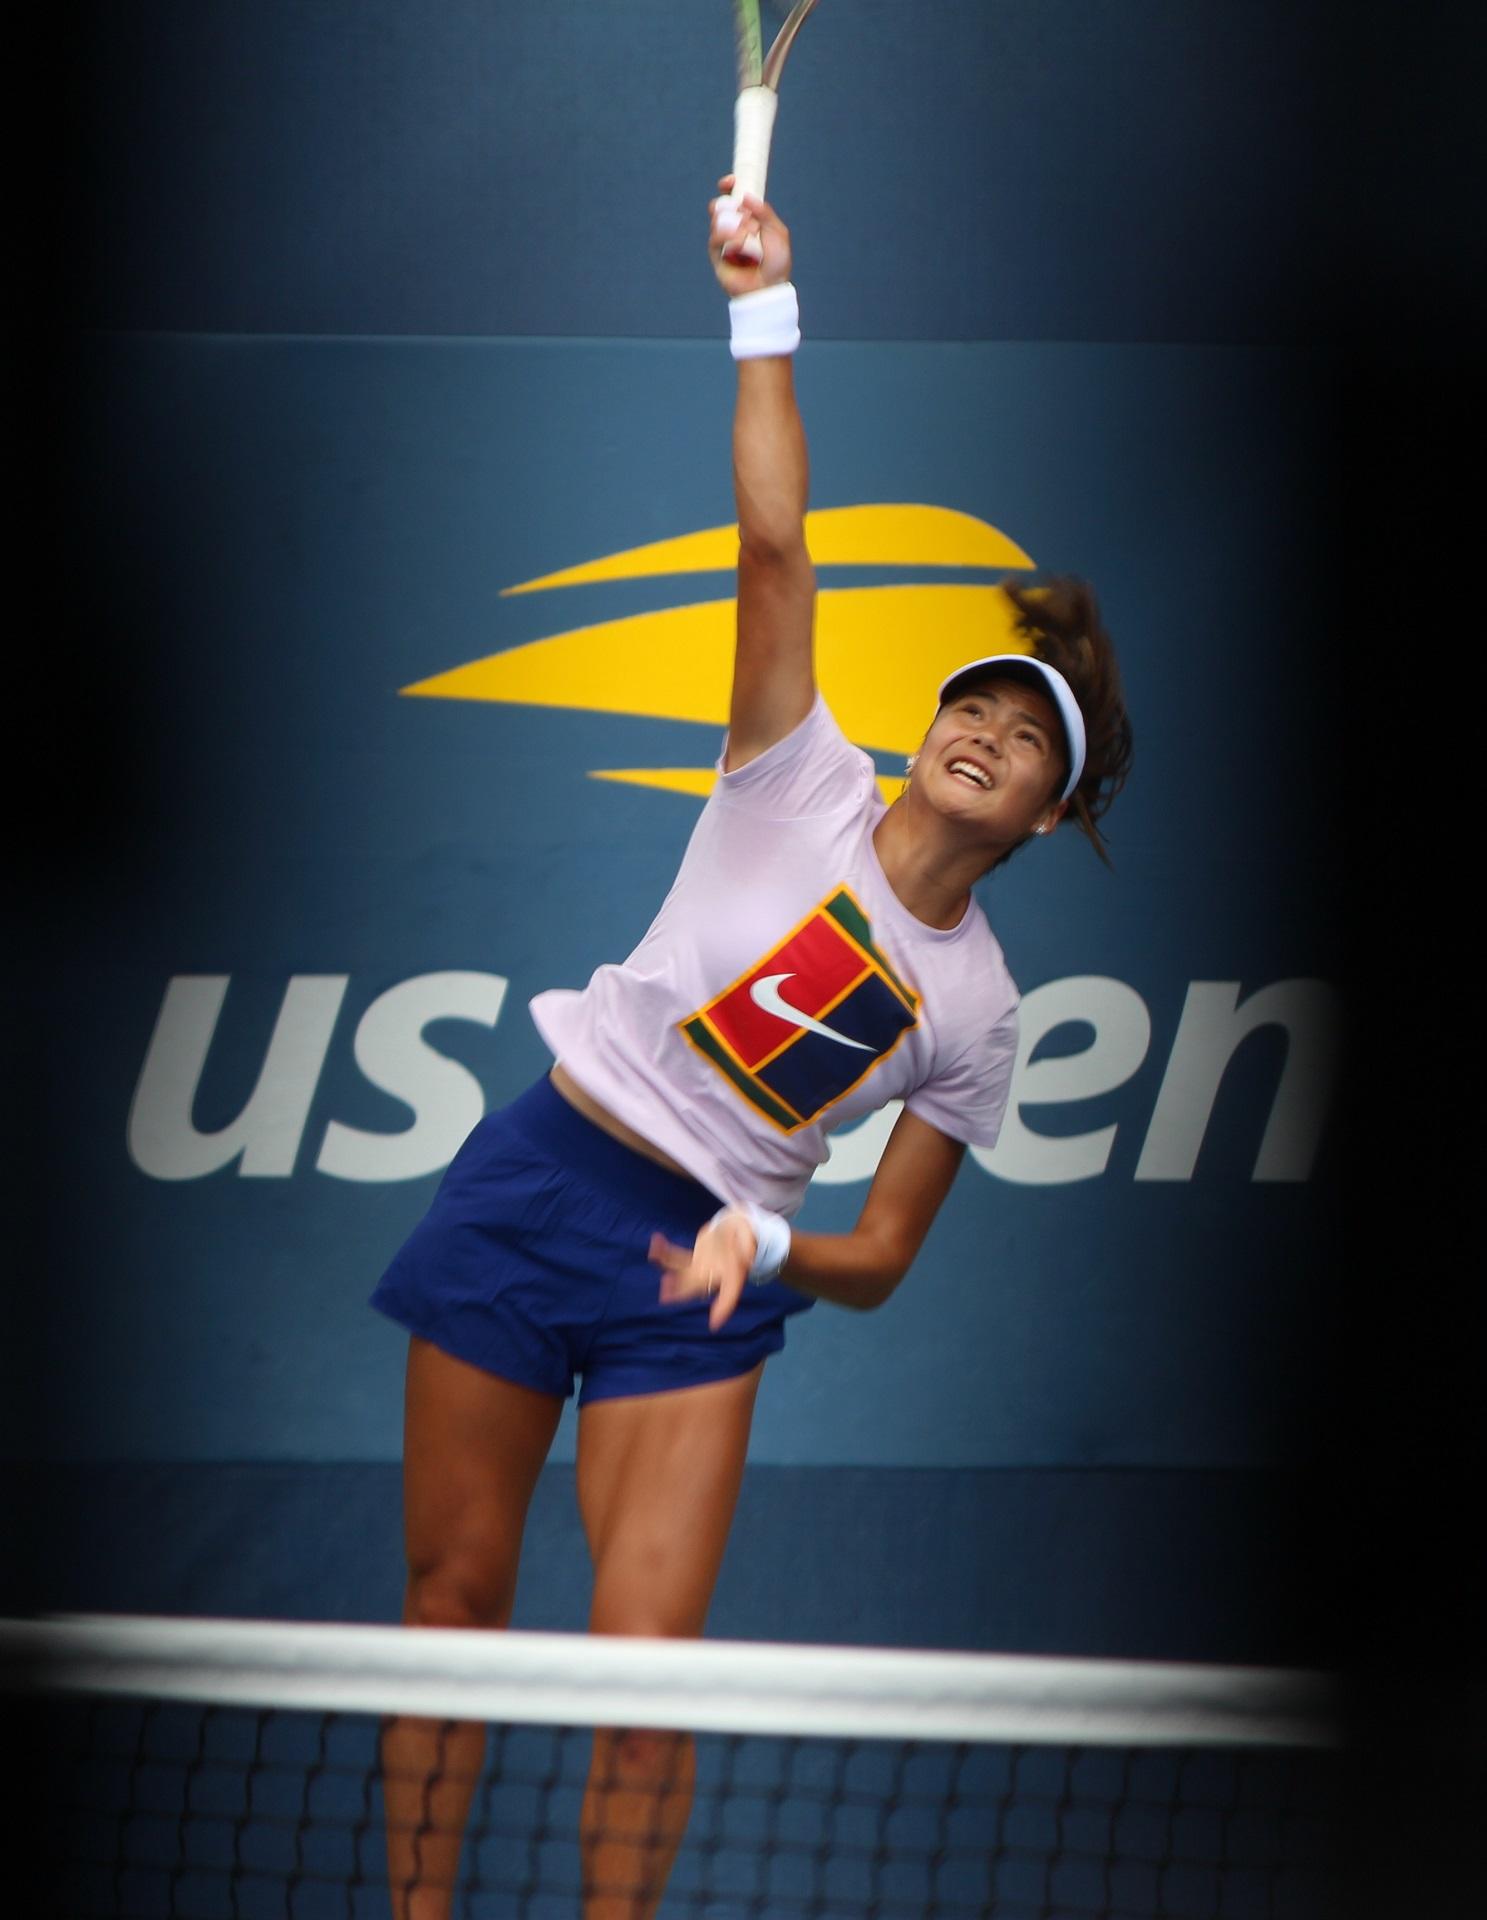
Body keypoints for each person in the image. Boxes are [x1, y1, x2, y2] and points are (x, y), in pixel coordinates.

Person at [370, 178, 1132, 1920]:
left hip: (700, 1274)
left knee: (645, 1688)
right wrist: (765, 303)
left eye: (1025, 740)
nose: (981, 734)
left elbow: (875, 1260)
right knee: (449, 1605)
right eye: (972, 705)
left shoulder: (983, 1016)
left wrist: (764, 1244)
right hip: (536, 1175)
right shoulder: (796, 771)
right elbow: (778, 539)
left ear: (1048, 810)